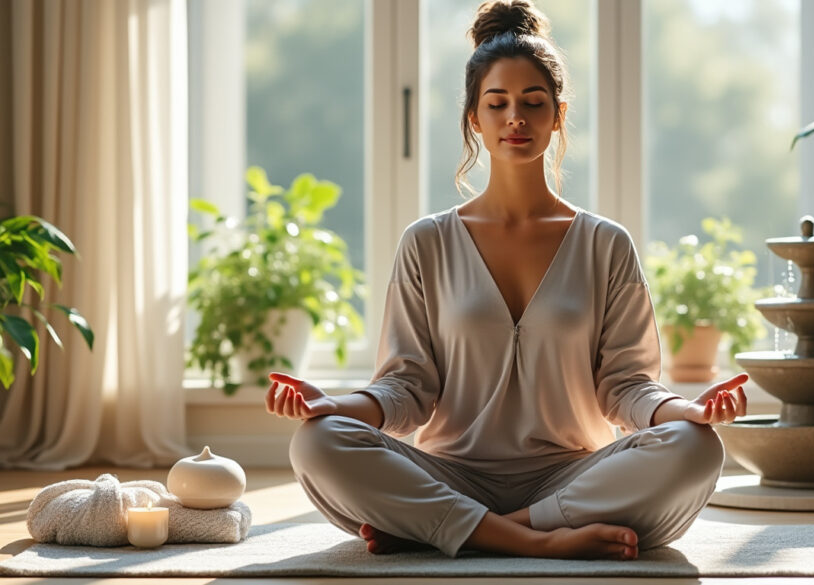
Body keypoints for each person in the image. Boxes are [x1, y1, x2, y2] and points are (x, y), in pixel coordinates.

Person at [265, 0, 748, 561]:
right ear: (474, 117)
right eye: (497, 103)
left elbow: (626, 387)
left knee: (695, 449)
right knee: (318, 442)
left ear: (558, 114)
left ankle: (454, 529)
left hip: (574, 479)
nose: (515, 118)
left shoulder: (605, 244)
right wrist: (335, 406)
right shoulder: (427, 241)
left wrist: (685, 412)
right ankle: (533, 539)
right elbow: (407, 387)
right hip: (450, 473)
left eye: (533, 103)